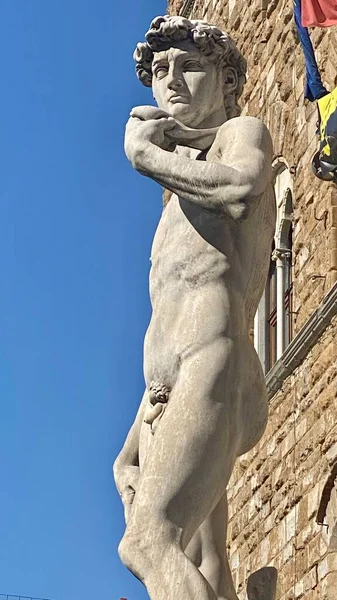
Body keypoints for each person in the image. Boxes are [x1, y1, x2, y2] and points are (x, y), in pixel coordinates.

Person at [113, 15, 275, 600]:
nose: (172, 82)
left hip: (215, 358)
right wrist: (134, 433)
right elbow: (172, 304)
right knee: (203, 565)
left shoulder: (242, 133)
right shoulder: (182, 188)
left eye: (190, 66)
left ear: (228, 80)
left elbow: (240, 190)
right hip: (169, 388)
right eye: (160, 72)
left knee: (148, 540)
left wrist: (147, 158)